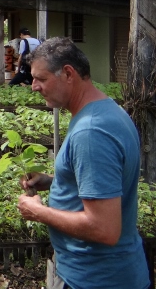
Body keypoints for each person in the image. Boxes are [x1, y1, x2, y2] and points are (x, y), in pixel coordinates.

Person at [16, 37, 149, 289]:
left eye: (41, 79)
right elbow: (107, 187)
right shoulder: (107, 110)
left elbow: (104, 229)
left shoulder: (91, 132)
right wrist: (56, 183)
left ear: (68, 73)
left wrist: (39, 212)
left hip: (96, 279)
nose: (33, 86)